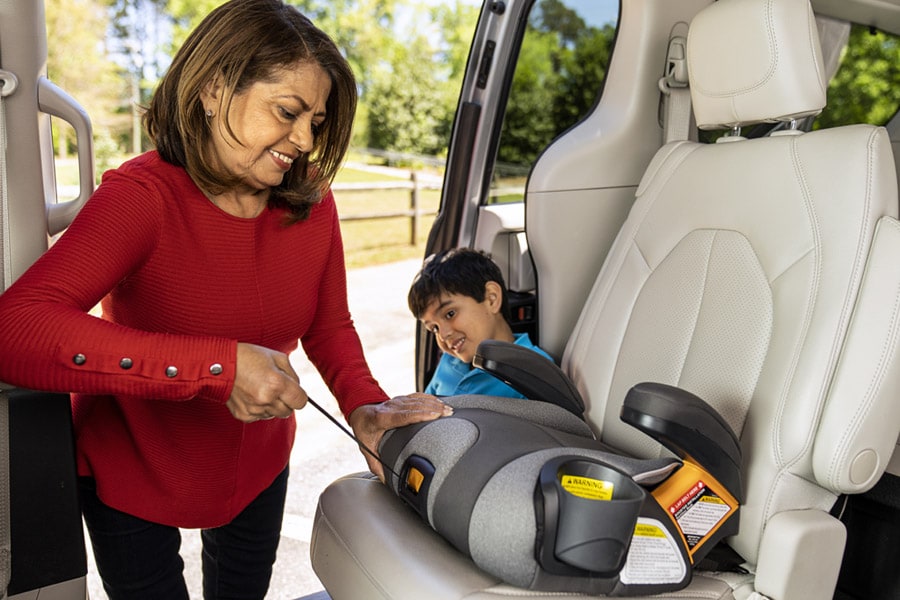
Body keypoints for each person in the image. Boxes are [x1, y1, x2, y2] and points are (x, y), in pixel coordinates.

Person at [0, 1, 449, 598]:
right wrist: (220, 368)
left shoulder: (310, 203)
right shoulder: (141, 196)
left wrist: (364, 406)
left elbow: (328, 325)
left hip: (259, 466)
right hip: (131, 468)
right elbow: (15, 332)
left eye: (316, 120)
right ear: (214, 89)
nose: (304, 140)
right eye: (287, 112)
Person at [408, 248, 553, 398]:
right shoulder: (449, 362)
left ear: (491, 298)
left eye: (450, 314)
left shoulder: (536, 373)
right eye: (434, 328)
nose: (443, 335)